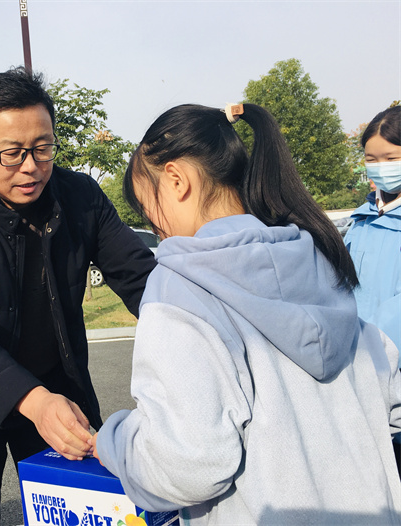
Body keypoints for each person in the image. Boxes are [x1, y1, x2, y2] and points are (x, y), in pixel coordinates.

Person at [91, 103, 401, 524]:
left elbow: (188, 464)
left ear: (176, 180)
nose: (156, 227)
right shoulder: (315, 255)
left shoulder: (181, 285)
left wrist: (115, 441)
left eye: (149, 209)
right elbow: (391, 396)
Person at [0, 67, 156, 525]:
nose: (30, 167)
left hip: (55, 393)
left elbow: (142, 278)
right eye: (11, 153)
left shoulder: (80, 198)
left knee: (72, 510)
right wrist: (31, 399)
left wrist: (194, 336)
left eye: (43, 148)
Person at [344, 105, 401, 367]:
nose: (381, 168)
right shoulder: (361, 220)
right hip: (356, 357)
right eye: (371, 159)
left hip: (387, 360)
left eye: (391, 159)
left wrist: (373, 351)